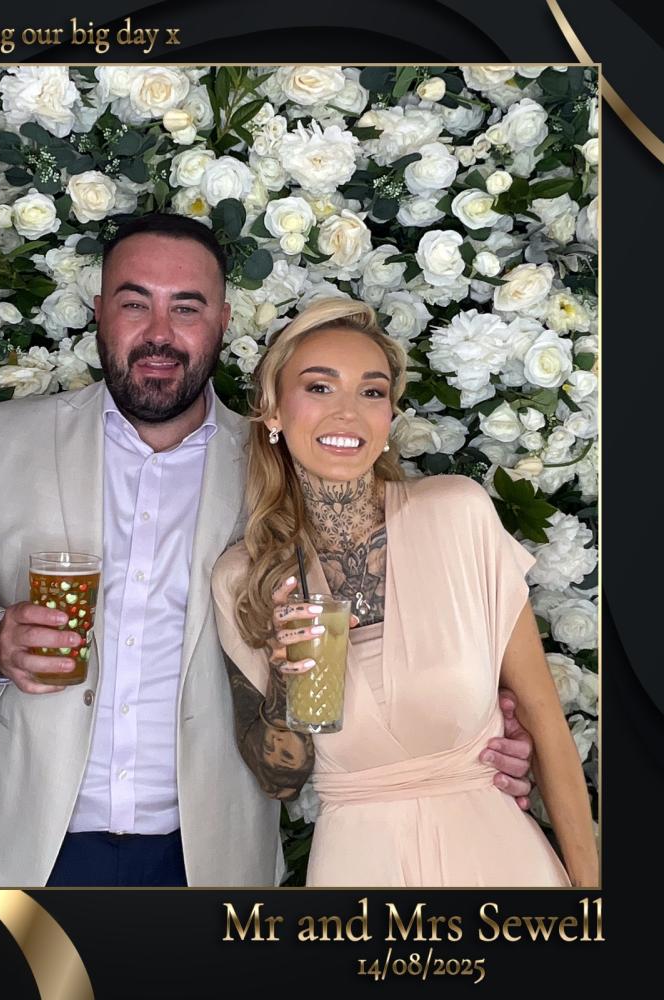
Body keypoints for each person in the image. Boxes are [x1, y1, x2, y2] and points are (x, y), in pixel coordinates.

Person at [0, 215, 533, 887]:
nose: (160, 332)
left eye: (187, 308)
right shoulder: (11, 438)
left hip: (211, 854)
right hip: (22, 842)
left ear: (222, 320)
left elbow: (392, 618)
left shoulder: (283, 463)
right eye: (135, 303)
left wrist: (481, 736)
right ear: (99, 311)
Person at [210, 297, 599, 887]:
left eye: (371, 392)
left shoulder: (458, 513)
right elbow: (279, 782)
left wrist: (592, 897)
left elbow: (543, 719)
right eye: (319, 387)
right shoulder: (246, 577)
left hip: (501, 861)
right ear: (272, 410)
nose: (348, 413)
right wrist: (286, 685)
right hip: (356, 870)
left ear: (390, 415)